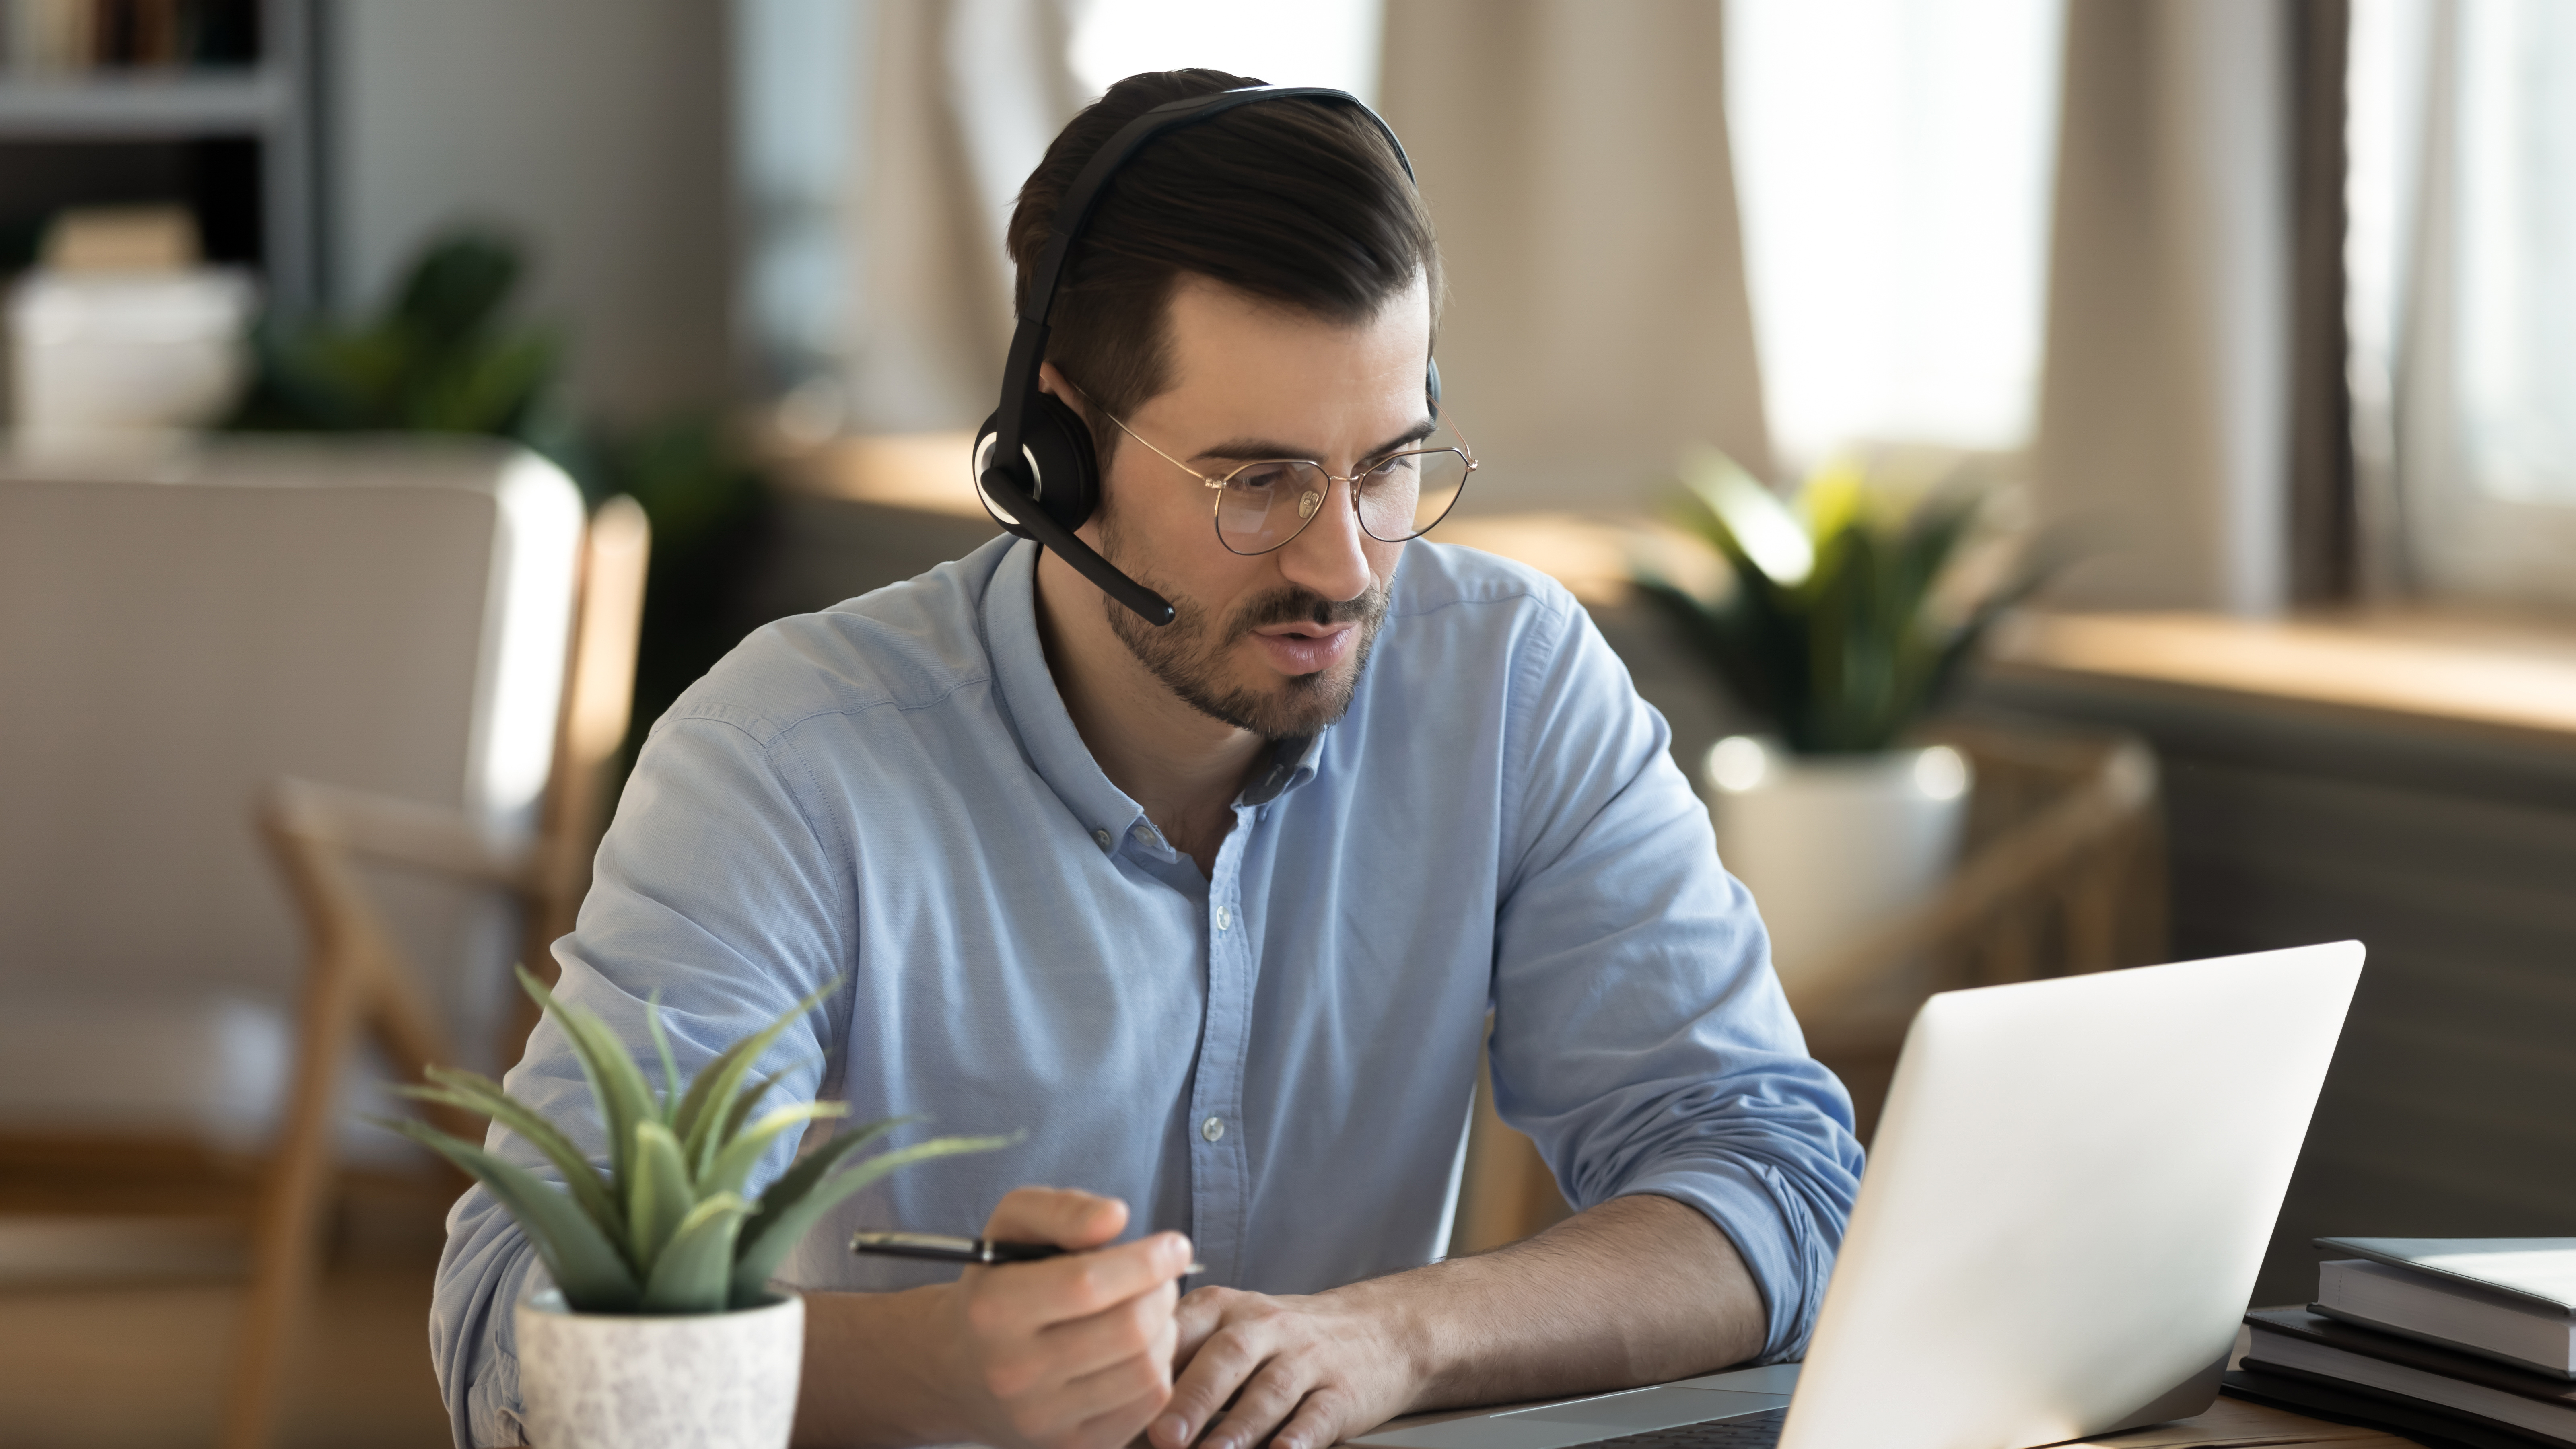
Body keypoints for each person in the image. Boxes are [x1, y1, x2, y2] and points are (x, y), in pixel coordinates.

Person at [432, 69, 1862, 1449]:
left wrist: (1392, 1339)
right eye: (1257, 480)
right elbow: (513, 1340)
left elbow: (1776, 1184)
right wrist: (931, 1366)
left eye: (1386, 463)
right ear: (1057, 447)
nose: (1343, 561)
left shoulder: (1512, 679)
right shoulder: (786, 757)